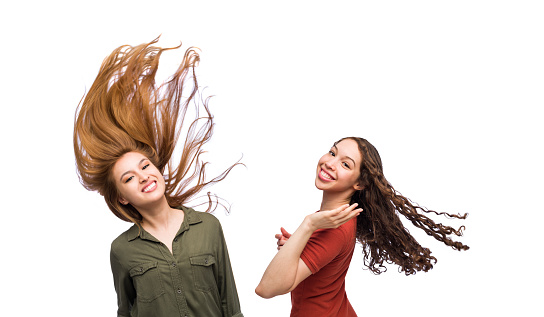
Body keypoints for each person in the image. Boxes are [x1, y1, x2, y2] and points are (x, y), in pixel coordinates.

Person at [73, 38, 243, 317]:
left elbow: (230, 304)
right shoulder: (122, 250)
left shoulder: (208, 228)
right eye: (128, 178)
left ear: (157, 169)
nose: (143, 177)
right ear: (121, 198)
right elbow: (125, 312)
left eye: (145, 166)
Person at [255, 137, 469, 316]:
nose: (330, 163)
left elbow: (267, 289)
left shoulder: (331, 227)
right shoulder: (333, 220)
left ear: (360, 184)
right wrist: (297, 246)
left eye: (345, 164)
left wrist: (307, 226)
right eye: (332, 153)